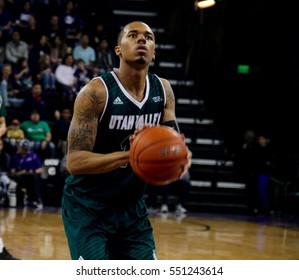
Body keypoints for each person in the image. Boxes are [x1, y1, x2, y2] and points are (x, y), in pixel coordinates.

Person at [61, 21, 192, 260]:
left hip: (131, 209)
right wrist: (129, 155)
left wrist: (180, 156)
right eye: (133, 35)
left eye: (148, 37)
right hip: (88, 206)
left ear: (154, 51)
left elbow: (172, 142)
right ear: (118, 49)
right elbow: (75, 162)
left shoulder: (163, 90)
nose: (142, 40)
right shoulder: (95, 94)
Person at [10, 138, 43, 210]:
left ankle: (37, 200)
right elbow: (12, 171)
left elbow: (40, 169)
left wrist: (33, 171)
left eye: (26, 149)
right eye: (23, 149)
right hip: (21, 176)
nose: (25, 151)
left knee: (35, 177)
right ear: (19, 148)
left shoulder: (33, 156)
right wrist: (21, 172)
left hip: (31, 176)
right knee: (16, 178)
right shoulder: (15, 157)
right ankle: (22, 200)